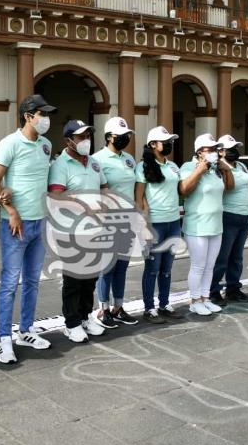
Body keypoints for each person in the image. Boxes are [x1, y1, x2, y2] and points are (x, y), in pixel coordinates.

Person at [0, 94, 56, 364]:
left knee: (31, 281)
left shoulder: (46, 145)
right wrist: (11, 210)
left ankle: (26, 330)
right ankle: (4, 338)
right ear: (29, 116)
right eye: (43, 114)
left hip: (39, 221)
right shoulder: (9, 144)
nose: (46, 119)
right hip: (15, 224)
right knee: (9, 283)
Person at [48, 120, 108, 342]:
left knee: (90, 278)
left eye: (88, 136)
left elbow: (104, 186)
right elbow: (56, 197)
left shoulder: (93, 163)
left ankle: (85, 317)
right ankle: (71, 323)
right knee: (73, 280)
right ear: (69, 141)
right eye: (81, 137)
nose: (86, 141)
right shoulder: (60, 165)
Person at [179, 133, 234, 316]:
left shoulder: (216, 169)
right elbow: (184, 190)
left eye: (215, 149)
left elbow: (228, 188)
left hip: (215, 224)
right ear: (199, 152)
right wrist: (199, 170)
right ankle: (194, 301)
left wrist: (225, 168)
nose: (214, 153)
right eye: (210, 149)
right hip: (197, 225)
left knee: (210, 265)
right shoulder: (189, 166)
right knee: (198, 265)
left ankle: (205, 298)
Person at [92, 117, 139, 328]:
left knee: (122, 267)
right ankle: (103, 309)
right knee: (106, 268)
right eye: (121, 136)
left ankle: (118, 307)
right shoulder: (97, 159)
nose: (125, 139)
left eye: (127, 136)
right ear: (109, 137)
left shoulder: (129, 158)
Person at [135, 126, 183, 325]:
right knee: (152, 268)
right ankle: (149, 308)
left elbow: (181, 189)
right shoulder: (143, 167)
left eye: (171, 140)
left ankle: (164, 304)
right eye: (166, 141)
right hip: (155, 224)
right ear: (153, 144)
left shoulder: (173, 166)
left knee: (167, 267)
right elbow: (139, 198)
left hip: (173, 222)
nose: (170, 144)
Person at [209, 135, 248, 306]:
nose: (234, 151)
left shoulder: (241, 165)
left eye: (236, 147)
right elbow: (227, 188)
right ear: (220, 151)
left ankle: (233, 288)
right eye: (230, 148)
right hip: (228, 215)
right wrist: (224, 166)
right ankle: (213, 290)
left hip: (245, 215)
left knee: (237, 256)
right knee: (223, 257)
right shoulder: (219, 167)